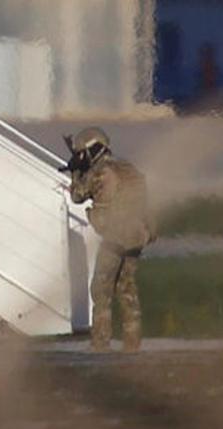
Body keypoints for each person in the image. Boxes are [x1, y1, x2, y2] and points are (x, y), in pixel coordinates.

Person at [67, 127, 154, 353]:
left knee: (101, 290)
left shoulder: (100, 172)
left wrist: (75, 173)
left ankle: (100, 343)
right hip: (136, 237)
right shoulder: (127, 168)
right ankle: (132, 344)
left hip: (115, 237)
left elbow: (78, 195)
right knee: (127, 290)